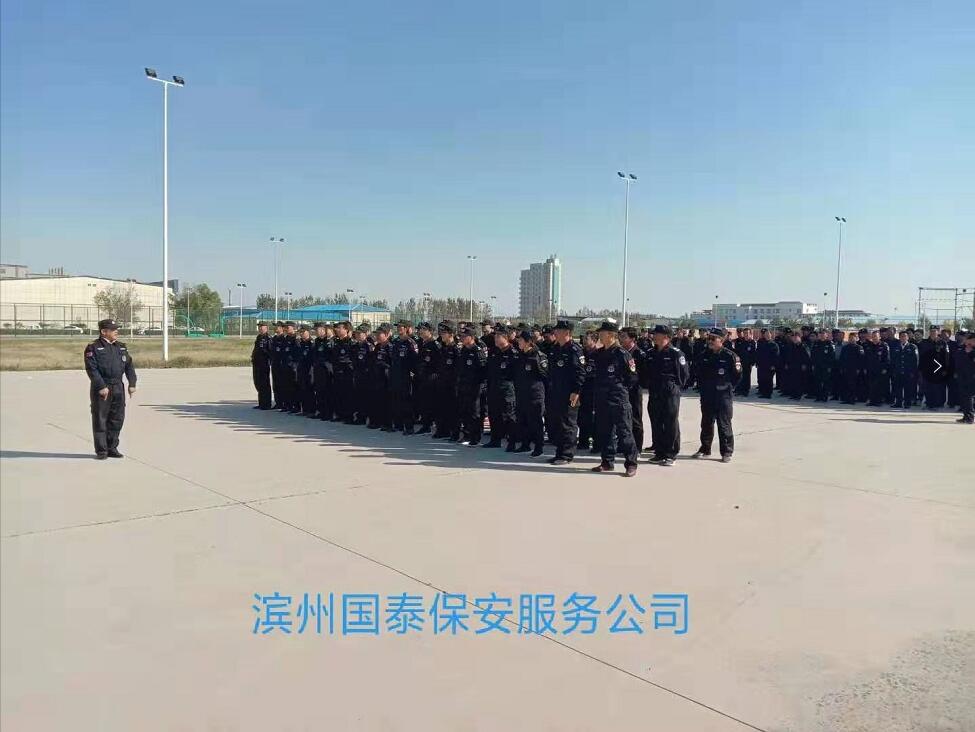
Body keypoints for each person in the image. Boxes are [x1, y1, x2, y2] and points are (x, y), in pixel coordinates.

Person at [590, 321, 639, 477]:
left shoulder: (622, 354)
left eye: (602, 333)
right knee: (605, 432)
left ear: (611, 335)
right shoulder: (598, 354)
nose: (599, 335)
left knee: (624, 432)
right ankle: (607, 462)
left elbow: (632, 378)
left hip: (618, 399)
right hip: (602, 398)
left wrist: (619, 389)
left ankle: (631, 464)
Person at [84, 319, 137, 459]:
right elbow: (92, 369)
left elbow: (129, 366)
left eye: (116, 329)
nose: (116, 332)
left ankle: (112, 447)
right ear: (103, 332)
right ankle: (102, 451)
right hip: (103, 387)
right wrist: (101, 386)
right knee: (101, 419)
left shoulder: (121, 347)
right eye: (113, 330)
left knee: (117, 418)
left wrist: (132, 383)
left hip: (118, 386)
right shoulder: (93, 348)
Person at [644, 324, 689, 466]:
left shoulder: (676, 353)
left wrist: (674, 387)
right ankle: (659, 452)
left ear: (666, 336)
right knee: (656, 421)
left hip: (670, 392)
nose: (653, 336)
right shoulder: (651, 353)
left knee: (670, 422)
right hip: (655, 391)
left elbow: (683, 375)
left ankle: (671, 453)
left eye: (656, 334)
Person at [693, 328, 741, 462]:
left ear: (722, 340)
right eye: (709, 338)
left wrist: (727, 387)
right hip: (707, 395)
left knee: (724, 424)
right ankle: (705, 449)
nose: (710, 341)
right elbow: (698, 372)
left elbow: (737, 376)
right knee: (706, 423)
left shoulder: (730, 356)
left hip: (723, 396)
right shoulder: (704, 355)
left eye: (713, 339)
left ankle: (726, 452)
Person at [546, 319, 586, 465]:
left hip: (570, 393)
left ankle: (566, 455)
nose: (555, 332)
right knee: (558, 423)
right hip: (556, 392)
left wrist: (576, 391)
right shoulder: (555, 348)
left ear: (566, 332)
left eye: (558, 330)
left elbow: (580, 373)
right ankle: (559, 453)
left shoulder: (574, 350)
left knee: (568, 424)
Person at [513, 330, 548, 456]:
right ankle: (525, 444)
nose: (518, 342)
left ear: (528, 342)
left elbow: (545, 376)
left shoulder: (538, 356)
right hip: (522, 393)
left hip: (535, 394)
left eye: (521, 340)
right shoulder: (520, 355)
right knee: (522, 420)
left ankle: (539, 447)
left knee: (536, 421)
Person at [484, 327, 519, 449]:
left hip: (507, 390)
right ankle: (495, 440)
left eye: (498, 336)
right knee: (494, 415)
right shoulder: (494, 351)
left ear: (506, 338)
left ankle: (512, 442)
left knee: (509, 416)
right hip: (494, 387)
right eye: (495, 336)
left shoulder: (513, 353)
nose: (495, 339)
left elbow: (515, 374)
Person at [457, 326, 487, 445]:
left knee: (475, 412)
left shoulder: (477, 351)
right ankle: (466, 434)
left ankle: (475, 437)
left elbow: (483, 370)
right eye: (461, 336)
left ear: (471, 337)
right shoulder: (464, 350)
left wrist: (480, 386)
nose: (462, 338)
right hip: (464, 385)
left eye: (464, 336)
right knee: (464, 411)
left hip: (475, 386)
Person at [618, 326, 647, 452]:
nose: (621, 339)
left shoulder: (639, 354)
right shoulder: (619, 352)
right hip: (621, 390)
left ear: (632, 339)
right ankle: (623, 445)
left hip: (634, 390)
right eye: (620, 336)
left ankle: (637, 447)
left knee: (635, 418)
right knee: (622, 419)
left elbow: (642, 375)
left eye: (624, 337)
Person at [434, 322, 461, 440]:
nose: (442, 335)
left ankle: (454, 432)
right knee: (441, 407)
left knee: (453, 409)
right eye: (441, 332)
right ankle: (443, 430)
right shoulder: (443, 348)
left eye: (444, 333)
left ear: (451, 334)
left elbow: (458, 369)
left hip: (452, 384)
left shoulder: (456, 349)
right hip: (442, 382)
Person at [390, 320, 418, 434]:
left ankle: (409, 427)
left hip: (406, 376)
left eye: (401, 327)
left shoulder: (410, 342)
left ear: (406, 328)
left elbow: (415, 360)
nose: (399, 329)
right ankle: (398, 425)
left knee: (406, 402)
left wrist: (412, 372)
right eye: (398, 327)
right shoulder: (396, 342)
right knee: (396, 400)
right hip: (396, 375)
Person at [414, 322, 442, 434]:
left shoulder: (435, 345)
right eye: (420, 329)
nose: (421, 331)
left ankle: (431, 425)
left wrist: (434, 376)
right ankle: (425, 425)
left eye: (424, 329)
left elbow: (439, 363)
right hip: (422, 377)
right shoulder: (421, 343)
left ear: (430, 331)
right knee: (423, 402)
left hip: (431, 378)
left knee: (431, 403)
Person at [576, 330, 600, 453]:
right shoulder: (581, 353)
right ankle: (583, 441)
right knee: (582, 416)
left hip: (594, 389)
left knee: (594, 417)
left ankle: (596, 442)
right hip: (582, 389)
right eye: (584, 339)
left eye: (587, 339)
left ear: (594, 340)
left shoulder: (598, 354)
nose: (584, 341)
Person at [330, 321, 356, 423]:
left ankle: (348, 415)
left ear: (346, 330)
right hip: (337, 372)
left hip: (347, 372)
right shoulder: (336, 342)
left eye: (340, 328)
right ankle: (339, 414)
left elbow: (352, 358)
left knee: (347, 394)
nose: (337, 330)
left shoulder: (351, 343)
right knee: (338, 393)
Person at [369, 324, 393, 430]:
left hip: (386, 378)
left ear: (387, 335)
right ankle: (377, 421)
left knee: (386, 402)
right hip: (377, 377)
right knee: (376, 400)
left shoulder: (390, 347)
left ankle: (387, 423)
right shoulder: (378, 346)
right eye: (377, 334)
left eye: (380, 334)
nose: (377, 336)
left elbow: (392, 364)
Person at [351, 324, 374, 424]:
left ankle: (364, 416)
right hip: (357, 374)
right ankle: (359, 416)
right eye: (357, 333)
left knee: (365, 397)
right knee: (358, 396)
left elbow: (371, 361)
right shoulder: (355, 346)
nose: (357, 335)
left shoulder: (369, 346)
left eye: (360, 333)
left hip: (366, 375)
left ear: (365, 334)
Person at [891, 329, 919, 408]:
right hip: (898, 371)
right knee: (898, 388)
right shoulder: (896, 347)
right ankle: (898, 403)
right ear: (899, 338)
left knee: (908, 388)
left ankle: (907, 403)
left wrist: (913, 372)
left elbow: (916, 360)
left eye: (905, 336)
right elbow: (893, 360)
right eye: (901, 336)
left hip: (908, 372)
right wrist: (893, 370)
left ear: (907, 337)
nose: (903, 338)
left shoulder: (913, 347)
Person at [312, 323, 332, 420]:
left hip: (326, 370)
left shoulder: (328, 341)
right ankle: (320, 411)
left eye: (318, 330)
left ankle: (327, 413)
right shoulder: (317, 341)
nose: (316, 332)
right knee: (319, 391)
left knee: (326, 392)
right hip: (317, 369)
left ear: (323, 330)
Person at [251, 321, 273, 409]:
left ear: (266, 328)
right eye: (259, 327)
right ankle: (261, 403)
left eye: (262, 326)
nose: (260, 328)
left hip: (264, 364)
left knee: (264, 384)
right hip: (257, 363)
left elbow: (270, 352)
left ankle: (266, 404)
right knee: (258, 383)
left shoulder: (268, 338)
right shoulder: (259, 337)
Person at [294, 326, 316, 415]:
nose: (301, 334)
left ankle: (311, 410)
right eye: (300, 332)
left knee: (309, 390)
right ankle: (304, 409)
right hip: (301, 369)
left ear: (308, 332)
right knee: (302, 389)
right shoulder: (300, 343)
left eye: (303, 332)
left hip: (309, 369)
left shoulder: (312, 343)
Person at [955, 331, 975, 424]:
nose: (965, 340)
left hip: (972, 376)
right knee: (963, 396)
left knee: (969, 396)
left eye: (968, 338)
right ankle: (965, 416)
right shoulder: (961, 348)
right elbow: (957, 360)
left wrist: (971, 353)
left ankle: (970, 417)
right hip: (962, 376)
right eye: (965, 338)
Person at [811, 329, 835, 402]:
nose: (821, 335)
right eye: (820, 334)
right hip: (817, 366)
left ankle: (825, 396)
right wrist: (813, 364)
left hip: (826, 366)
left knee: (826, 382)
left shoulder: (830, 343)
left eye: (823, 334)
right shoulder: (816, 343)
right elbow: (813, 355)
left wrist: (830, 366)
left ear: (826, 335)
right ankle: (818, 397)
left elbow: (832, 356)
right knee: (817, 381)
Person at [755, 328, 779, 398]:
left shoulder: (774, 344)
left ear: (771, 335)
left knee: (769, 380)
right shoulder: (762, 343)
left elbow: (776, 356)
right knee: (762, 379)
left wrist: (774, 365)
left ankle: (768, 394)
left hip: (770, 366)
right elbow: (758, 354)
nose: (767, 335)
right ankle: (763, 392)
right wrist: (757, 363)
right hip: (762, 365)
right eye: (766, 334)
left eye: (768, 334)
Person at [733, 327, 756, 397]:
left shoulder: (752, 342)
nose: (746, 334)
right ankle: (740, 390)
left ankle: (746, 391)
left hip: (748, 363)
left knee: (747, 377)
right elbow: (737, 352)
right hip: (740, 362)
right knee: (739, 376)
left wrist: (752, 362)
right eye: (745, 333)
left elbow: (753, 353)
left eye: (747, 333)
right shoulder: (741, 341)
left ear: (750, 334)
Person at [270, 322, 286, 409]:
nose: (275, 328)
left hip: (281, 364)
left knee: (282, 384)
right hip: (275, 364)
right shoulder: (274, 338)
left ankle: (283, 403)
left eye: (278, 326)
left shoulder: (284, 338)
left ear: (282, 328)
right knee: (275, 384)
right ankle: (278, 402)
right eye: (275, 326)